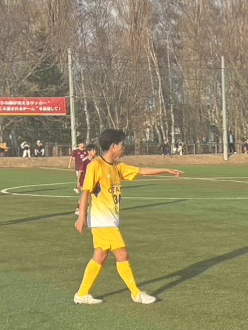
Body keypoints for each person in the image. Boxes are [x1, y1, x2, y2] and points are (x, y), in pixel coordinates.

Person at [74, 129, 184, 305]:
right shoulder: (95, 165)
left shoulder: (118, 167)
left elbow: (141, 171)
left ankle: (82, 294)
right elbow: (85, 192)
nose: (124, 148)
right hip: (102, 221)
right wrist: (81, 217)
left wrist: (165, 170)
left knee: (100, 256)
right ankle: (136, 293)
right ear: (113, 146)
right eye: (122, 145)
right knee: (122, 254)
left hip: (110, 221)